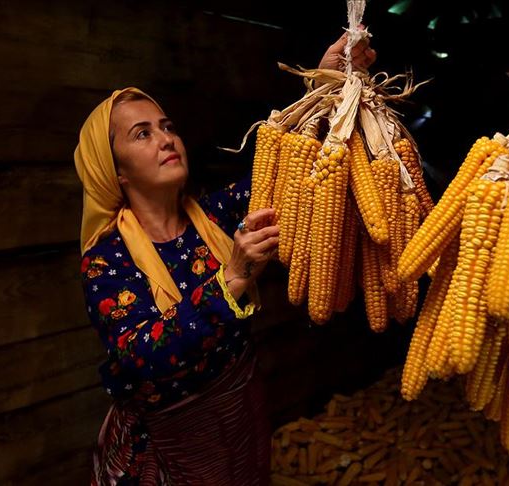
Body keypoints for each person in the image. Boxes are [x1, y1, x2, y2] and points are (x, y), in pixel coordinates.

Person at [75, 31, 375, 485]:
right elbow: (139, 354)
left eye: (168, 126)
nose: (166, 138)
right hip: (174, 436)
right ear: (115, 171)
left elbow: (286, 176)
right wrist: (230, 277)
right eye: (143, 133)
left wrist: (327, 82)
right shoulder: (106, 260)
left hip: (241, 408)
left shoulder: (216, 214)